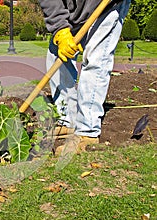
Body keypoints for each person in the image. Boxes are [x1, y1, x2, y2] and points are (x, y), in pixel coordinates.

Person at [38, 0, 131, 152]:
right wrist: (61, 29)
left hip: (106, 5)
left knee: (96, 59)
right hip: (74, 10)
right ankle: (69, 118)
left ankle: (87, 131)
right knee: (56, 53)